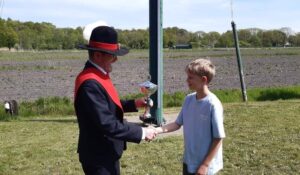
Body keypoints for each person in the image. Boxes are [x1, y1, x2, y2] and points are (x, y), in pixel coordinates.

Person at [74, 25, 157, 175]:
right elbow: (107, 124)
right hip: (98, 156)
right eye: (112, 55)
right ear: (98, 55)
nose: (116, 59)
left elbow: (108, 105)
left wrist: (134, 104)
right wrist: (142, 132)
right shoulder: (90, 83)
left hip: (105, 152)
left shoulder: (97, 74)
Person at [155, 59, 226, 175]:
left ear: (203, 80)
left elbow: (218, 138)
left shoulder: (213, 104)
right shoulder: (188, 99)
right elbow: (177, 124)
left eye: (190, 77)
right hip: (189, 161)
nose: (187, 80)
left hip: (205, 166)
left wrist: (205, 165)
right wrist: (156, 130)